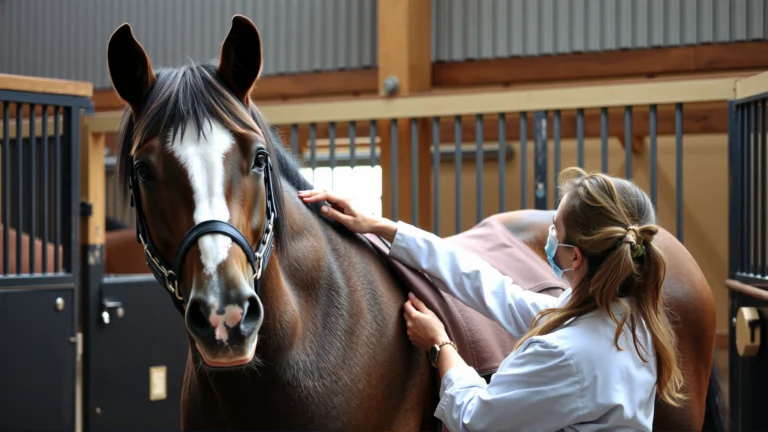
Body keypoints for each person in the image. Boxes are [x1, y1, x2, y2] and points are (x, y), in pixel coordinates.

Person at [298, 167, 684, 432]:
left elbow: (476, 418)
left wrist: (440, 345)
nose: (549, 235)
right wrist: (381, 227)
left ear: (575, 256)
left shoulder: (565, 352)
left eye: (556, 228)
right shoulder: (627, 319)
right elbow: (490, 288)